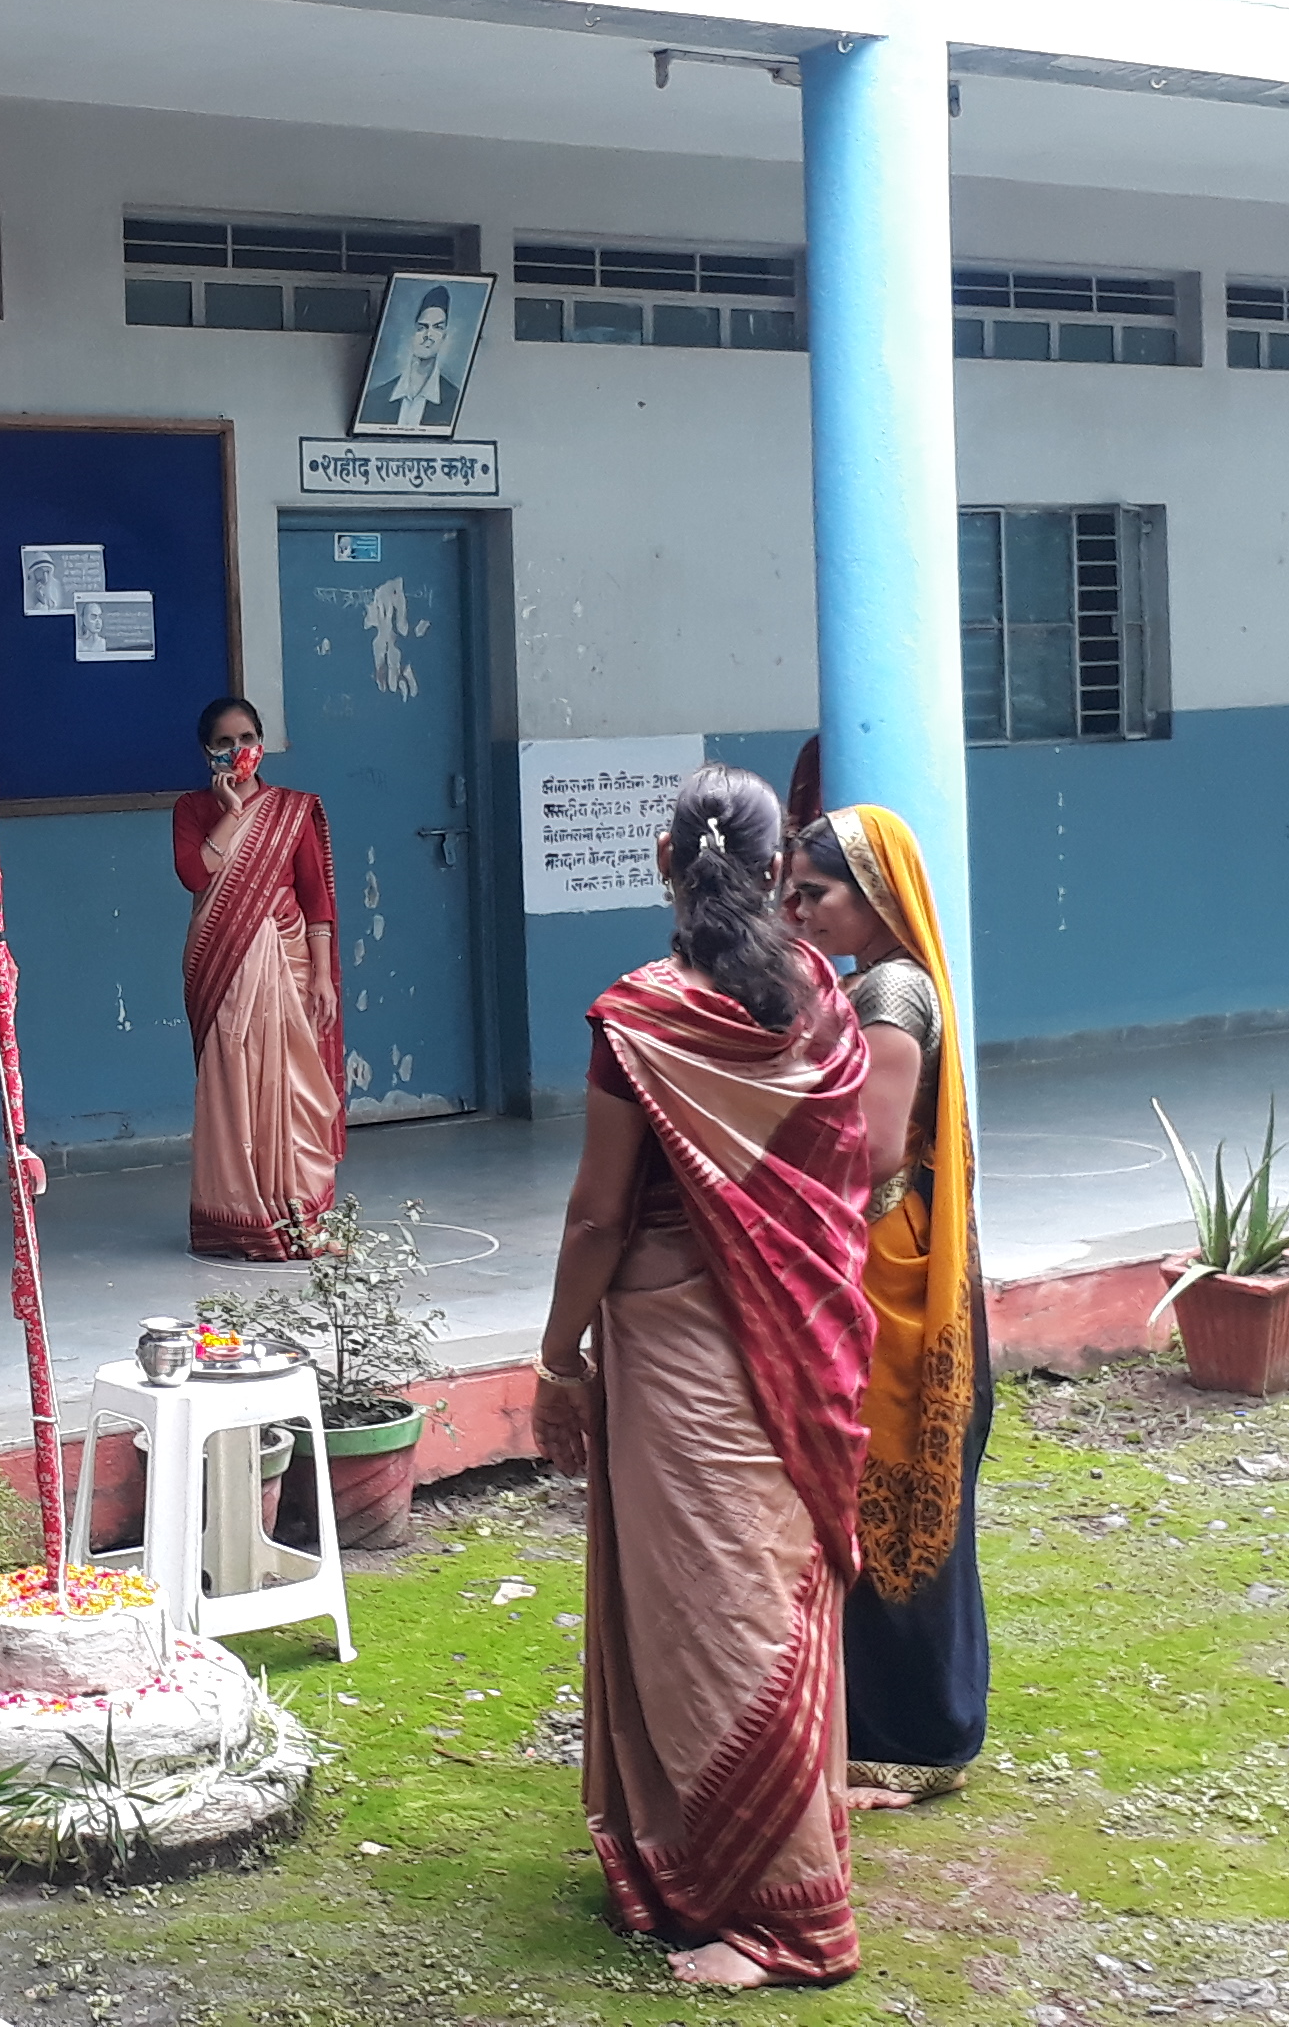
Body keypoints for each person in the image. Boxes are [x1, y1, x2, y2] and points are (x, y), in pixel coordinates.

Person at [533, 762, 874, 1988]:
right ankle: (718, 1849)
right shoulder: (825, 1001)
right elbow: (843, 1185)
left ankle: (792, 1922)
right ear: (779, 870)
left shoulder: (642, 1018)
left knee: (716, 1607)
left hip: (679, 1343)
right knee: (765, 1588)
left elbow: (596, 1217)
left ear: (665, 864)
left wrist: (555, 1356)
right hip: (802, 1342)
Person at [784, 803, 991, 1808]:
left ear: (872, 894)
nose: (798, 910)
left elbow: (867, 1153)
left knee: (902, 1497)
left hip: (888, 1270)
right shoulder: (863, 983)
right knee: (866, 1495)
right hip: (877, 1260)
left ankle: (918, 1740)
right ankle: (870, 1721)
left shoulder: (892, 992)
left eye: (815, 893)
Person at [171, 697, 344, 1256]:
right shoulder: (192, 808)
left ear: (261, 741)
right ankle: (243, 1219)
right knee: (233, 1088)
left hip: (288, 959)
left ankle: (301, 1214)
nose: (239, 750)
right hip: (221, 962)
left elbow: (316, 898)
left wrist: (322, 976)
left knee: (293, 1088)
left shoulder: (292, 810)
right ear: (208, 751)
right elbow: (194, 874)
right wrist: (228, 812)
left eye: (247, 738)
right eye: (225, 743)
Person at [357, 284, 465, 429]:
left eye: (438, 327)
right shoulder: (374, 398)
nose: (428, 335)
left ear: (444, 336)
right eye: (422, 327)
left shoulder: (455, 401)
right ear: (411, 333)